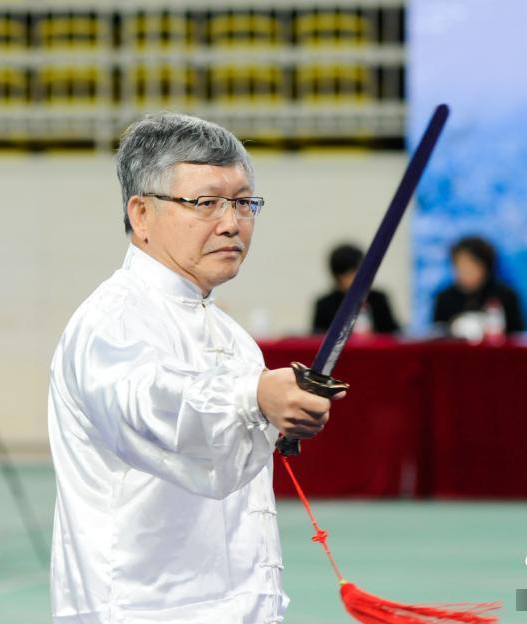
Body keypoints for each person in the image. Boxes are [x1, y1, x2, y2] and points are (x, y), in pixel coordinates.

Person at [48, 112, 342, 623]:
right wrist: (253, 399)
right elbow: (157, 405)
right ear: (141, 215)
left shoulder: (230, 337)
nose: (231, 222)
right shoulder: (111, 322)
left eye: (243, 202)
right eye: (205, 203)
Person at [432, 235, 525, 334]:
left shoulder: (505, 295)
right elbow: (437, 335)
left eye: (471, 265)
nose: (465, 270)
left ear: (485, 265)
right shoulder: (444, 298)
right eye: (460, 265)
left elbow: (518, 336)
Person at [312, 242, 400, 334]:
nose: (358, 277)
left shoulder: (378, 299)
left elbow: (392, 333)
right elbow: (318, 339)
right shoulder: (325, 305)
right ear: (338, 276)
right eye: (351, 273)